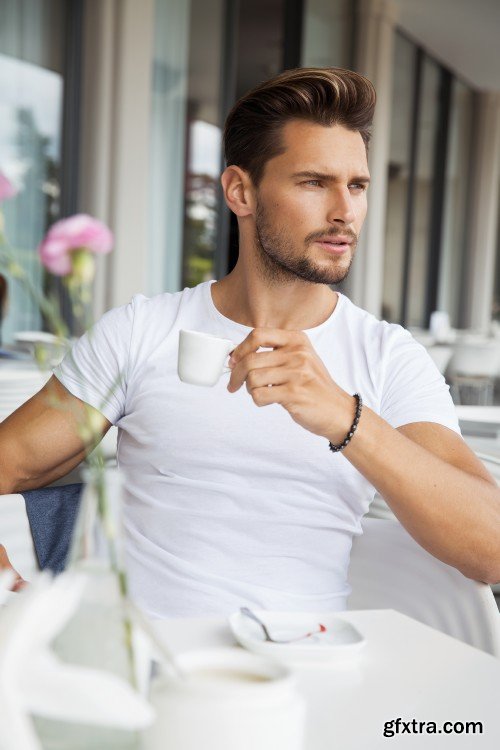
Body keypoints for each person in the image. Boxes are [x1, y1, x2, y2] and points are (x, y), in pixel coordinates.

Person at [1, 68, 499, 618]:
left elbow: (492, 549)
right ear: (241, 191)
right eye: (314, 182)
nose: (344, 212)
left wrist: (345, 418)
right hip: (148, 670)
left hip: (309, 669)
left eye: (356, 186)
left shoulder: (388, 356)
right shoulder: (142, 331)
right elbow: (10, 464)